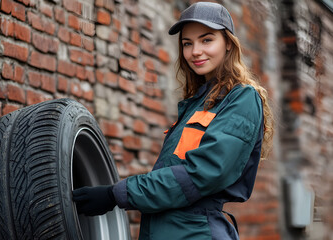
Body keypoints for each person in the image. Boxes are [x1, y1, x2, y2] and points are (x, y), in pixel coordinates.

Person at [73, 2, 274, 239]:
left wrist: (115, 194)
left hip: (196, 232)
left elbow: (204, 173)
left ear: (228, 43)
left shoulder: (241, 98)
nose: (195, 51)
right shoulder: (197, 103)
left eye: (206, 40)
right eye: (187, 43)